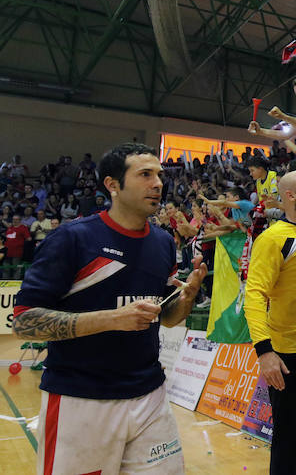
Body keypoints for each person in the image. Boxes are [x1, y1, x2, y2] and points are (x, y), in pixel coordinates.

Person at [12, 142, 207, 475]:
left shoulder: (162, 242)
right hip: (81, 400)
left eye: (159, 175)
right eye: (145, 175)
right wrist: (113, 319)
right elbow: (25, 322)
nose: (158, 183)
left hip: (150, 396)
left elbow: (169, 319)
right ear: (112, 185)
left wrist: (185, 299)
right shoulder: (72, 239)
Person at [245, 169, 296, 474]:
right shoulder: (273, 239)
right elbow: (254, 296)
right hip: (288, 357)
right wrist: (264, 352)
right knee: (287, 438)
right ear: (291, 196)